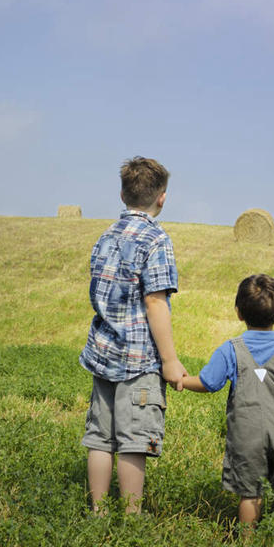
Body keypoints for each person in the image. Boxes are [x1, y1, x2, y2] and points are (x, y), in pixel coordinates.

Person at [79, 156, 186, 514]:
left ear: (122, 194)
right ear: (162, 198)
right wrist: (169, 361)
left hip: (102, 352)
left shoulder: (106, 236)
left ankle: (97, 511)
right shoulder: (157, 240)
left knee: (99, 437)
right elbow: (155, 302)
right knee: (134, 440)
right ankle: (132, 519)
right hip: (139, 361)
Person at [181, 273, 274, 527]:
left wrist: (182, 381)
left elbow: (208, 383)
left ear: (239, 313)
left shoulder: (230, 349)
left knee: (249, 492)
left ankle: (247, 542)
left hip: (246, 434)